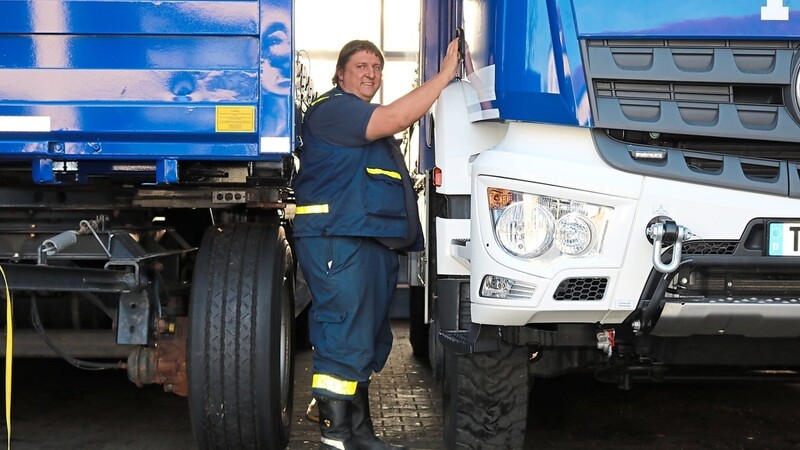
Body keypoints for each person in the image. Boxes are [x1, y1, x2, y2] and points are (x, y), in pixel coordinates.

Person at [292, 37, 460, 450]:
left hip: (364, 241)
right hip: (338, 241)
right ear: (341, 73)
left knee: (363, 337)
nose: (371, 73)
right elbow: (395, 117)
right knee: (343, 334)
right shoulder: (336, 112)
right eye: (362, 66)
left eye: (377, 67)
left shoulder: (358, 117)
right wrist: (442, 78)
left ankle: (360, 434)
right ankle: (336, 437)